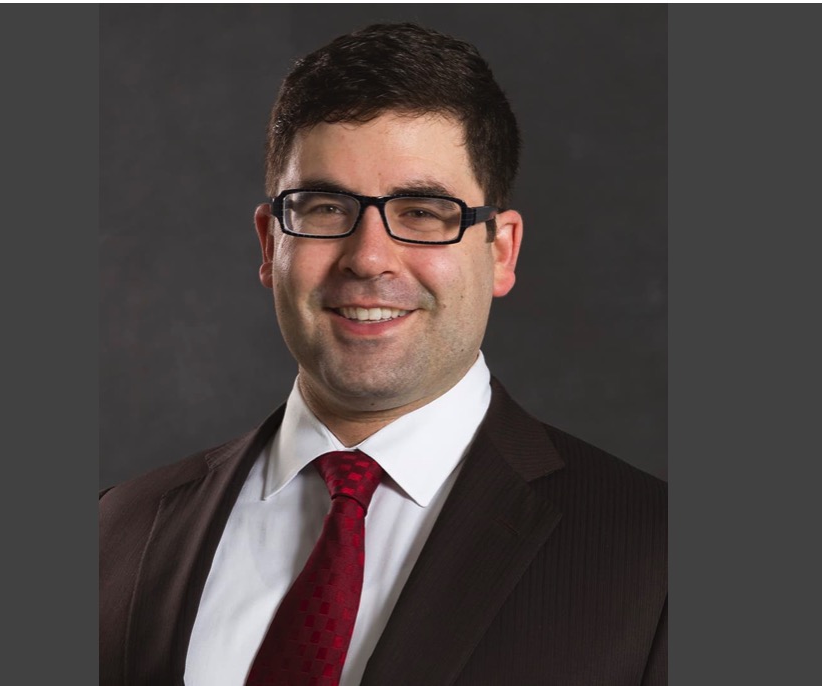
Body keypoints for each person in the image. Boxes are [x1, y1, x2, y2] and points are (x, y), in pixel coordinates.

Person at [100, 23, 666, 686]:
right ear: (270, 244)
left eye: (423, 211)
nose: (369, 258)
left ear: (501, 251)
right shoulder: (115, 532)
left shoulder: (657, 559)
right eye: (324, 207)